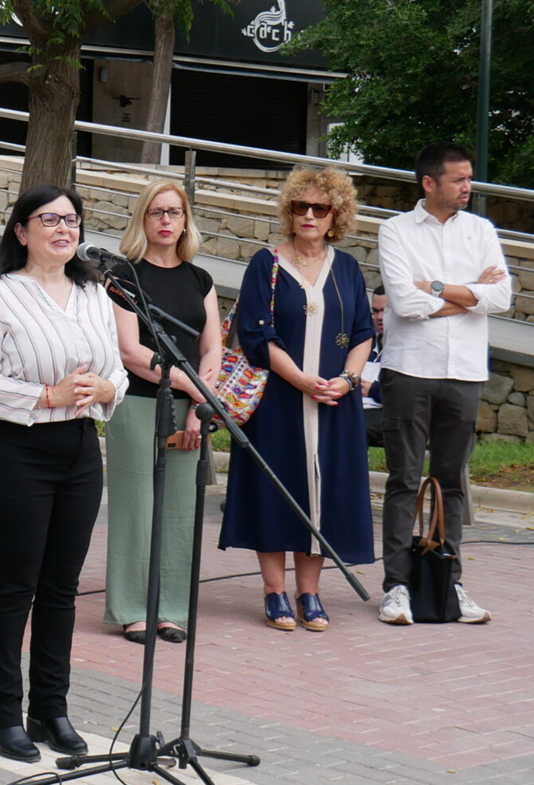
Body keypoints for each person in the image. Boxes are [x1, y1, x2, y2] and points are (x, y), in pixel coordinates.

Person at [0, 184, 125, 764]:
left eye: (72, 219)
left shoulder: (94, 292)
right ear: (21, 231)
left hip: (80, 448)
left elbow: (117, 368)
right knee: (15, 587)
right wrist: (46, 394)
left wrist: (109, 389)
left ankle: (50, 709)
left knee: (61, 589)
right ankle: (1, 715)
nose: (64, 228)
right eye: (49, 219)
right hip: (17, 451)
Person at [219, 167, 376, 633]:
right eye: (299, 206)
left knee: (324, 492)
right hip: (278, 401)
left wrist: (347, 381)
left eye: (319, 208)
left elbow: (364, 332)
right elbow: (254, 335)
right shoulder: (264, 264)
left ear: (336, 214)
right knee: (275, 488)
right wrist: (302, 379)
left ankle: (310, 592)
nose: (308, 215)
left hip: (335, 402)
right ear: (289, 211)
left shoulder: (346, 267)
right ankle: (274, 591)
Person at [376, 142, 512, 626]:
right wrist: (469, 293)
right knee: (404, 480)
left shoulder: (481, 230)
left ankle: (449, 583)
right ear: (428, 183)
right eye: (459, 180)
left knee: (453, 482)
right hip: (411, 367)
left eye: (469, 178)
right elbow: (403, 304)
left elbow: (503, 296)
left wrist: (432, 286)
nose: (467, 188)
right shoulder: (394, 230)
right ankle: (396, 587)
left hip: (466, 371)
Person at [104, 180, 221, 644]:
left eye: (175, 212)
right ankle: (134, 609)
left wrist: (198, 406)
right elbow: (130, 351)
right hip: (137, 404)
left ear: (186, 219)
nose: (167, 221)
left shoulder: (200, 279)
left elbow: (213, 348)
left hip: (191, 409)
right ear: (142, 219)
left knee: (178, 512)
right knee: (136, 508)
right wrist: (190, 386)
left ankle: (171, 609)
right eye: (157, 213)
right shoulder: (123, 277)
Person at [363, 287, 387, 448]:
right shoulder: (364, 341)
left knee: (354, 429)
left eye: (385, 311)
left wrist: (373, 390)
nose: (379, 317)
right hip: (355, 407)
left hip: (387, 413)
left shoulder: (413, 348)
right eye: (375, 311)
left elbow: (412, 396)